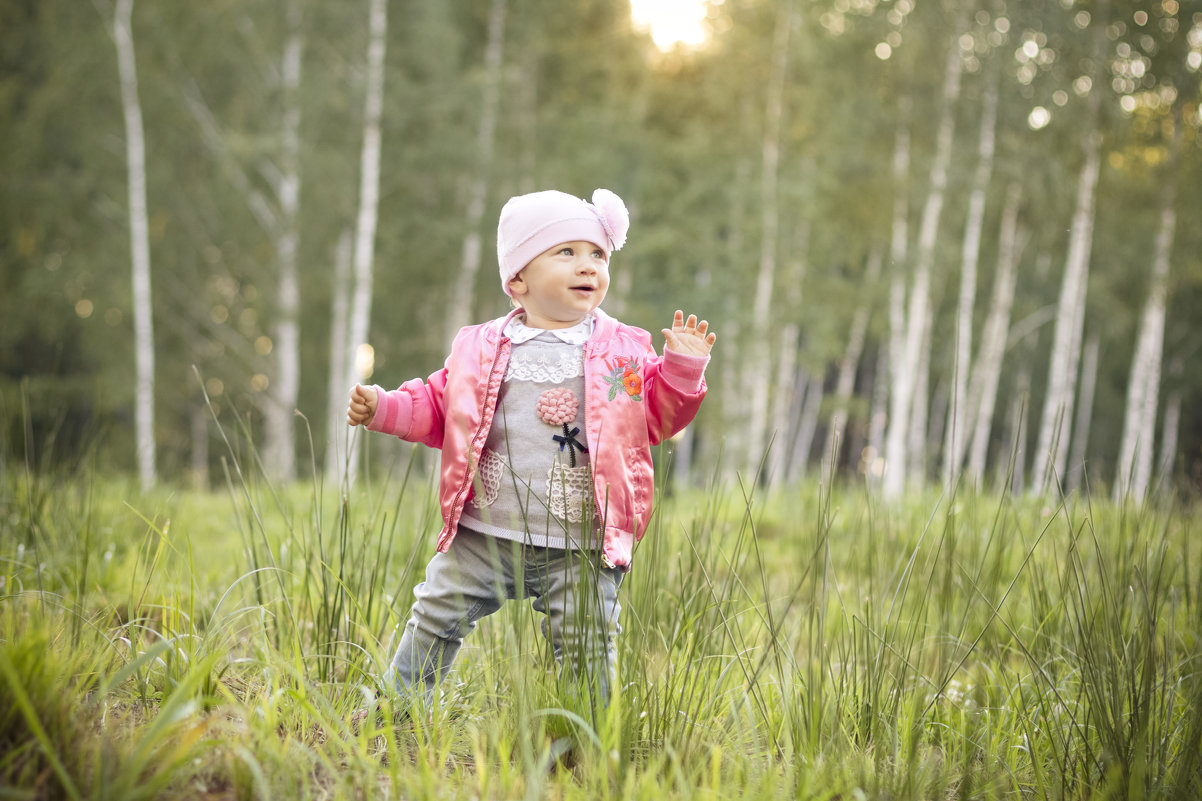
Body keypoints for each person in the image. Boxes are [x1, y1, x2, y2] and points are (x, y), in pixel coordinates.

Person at [347, 187, 716, 712]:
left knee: (588, 648)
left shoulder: (619, 352)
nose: (588, 265)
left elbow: (651, 419)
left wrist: (680, 370)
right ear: (518, 277)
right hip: (483, 533)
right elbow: (440, 404)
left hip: (581, 545)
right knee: (434, 616)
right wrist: (384, 408)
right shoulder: (480, 346)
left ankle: (586, 737)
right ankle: (401, 706)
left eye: (598, 254)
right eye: (566, 252)